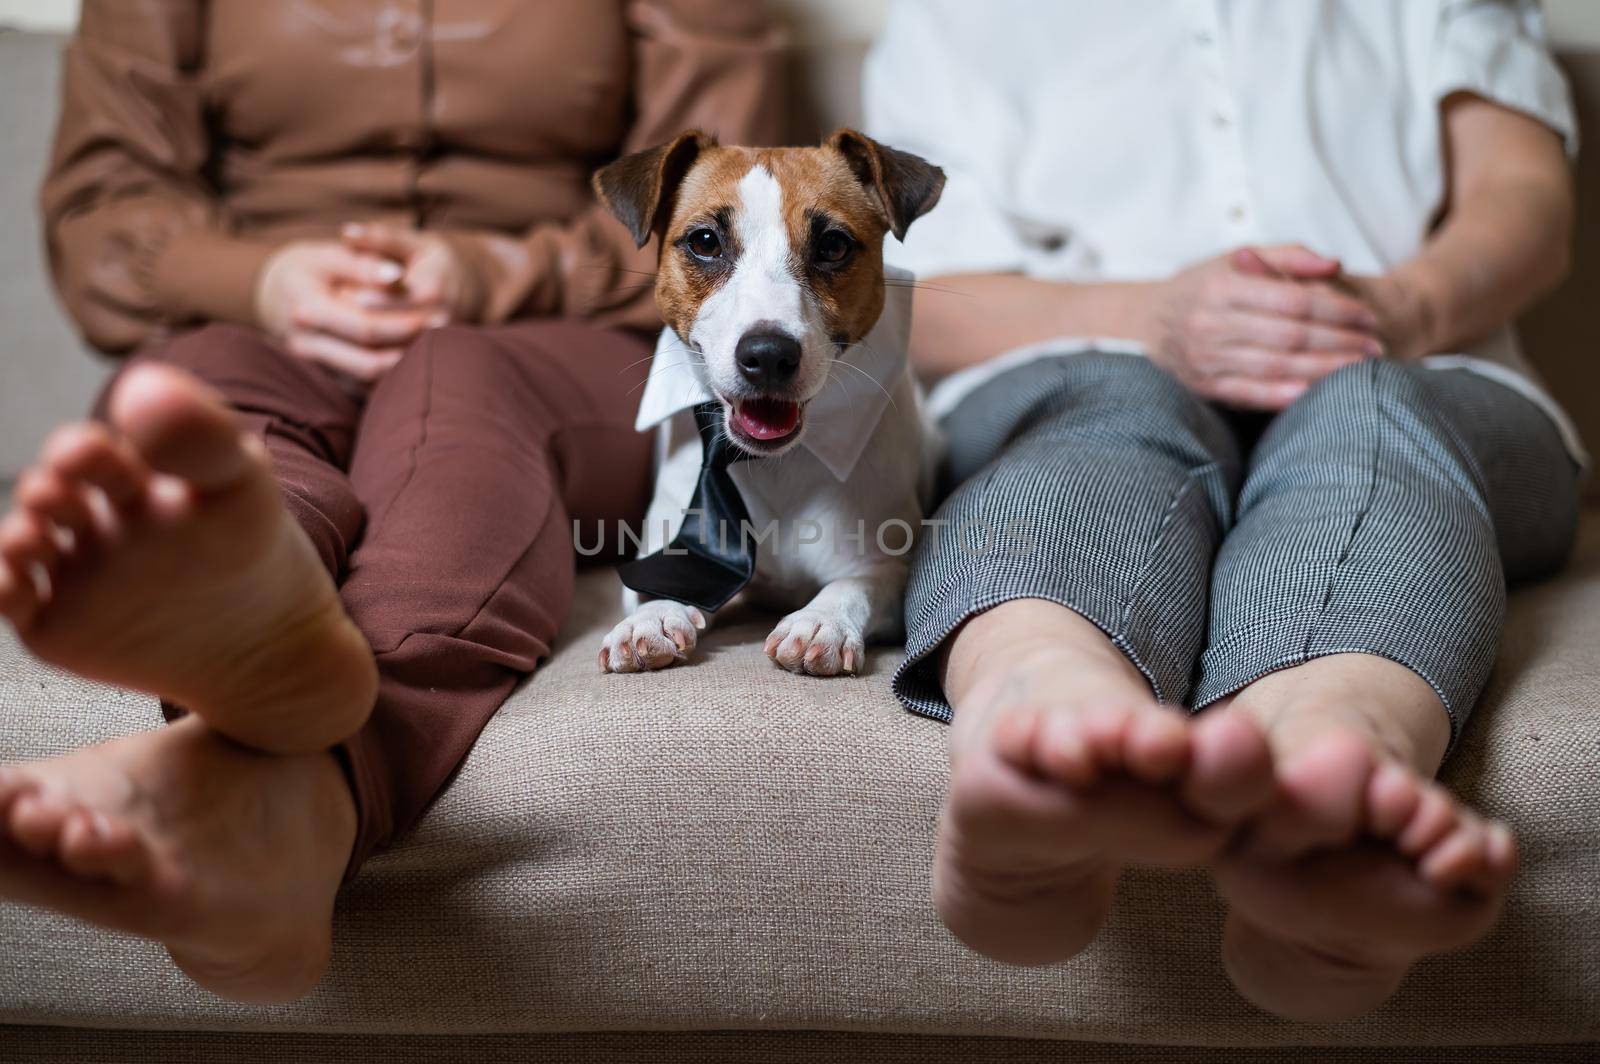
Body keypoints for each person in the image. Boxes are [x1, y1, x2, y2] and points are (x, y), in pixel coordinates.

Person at [0, 0, 781, 1003]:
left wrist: (497, 271)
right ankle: (261, 656)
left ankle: (298, 774)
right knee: (209, 409)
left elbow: (733, 196)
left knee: (459, 382)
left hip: (554, 334)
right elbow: (101, 214)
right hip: (259, 328)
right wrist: (265, 277)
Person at [866, 0, 1583, 1021]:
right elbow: (903, 293)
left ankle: (1329, 757)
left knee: (1371, 411)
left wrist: (1399, 311)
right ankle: (1041, 702)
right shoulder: (949, 17)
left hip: (1423, 367)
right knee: (1103, 409)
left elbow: (1523, 198)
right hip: (1086, 361)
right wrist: (1149, 318)